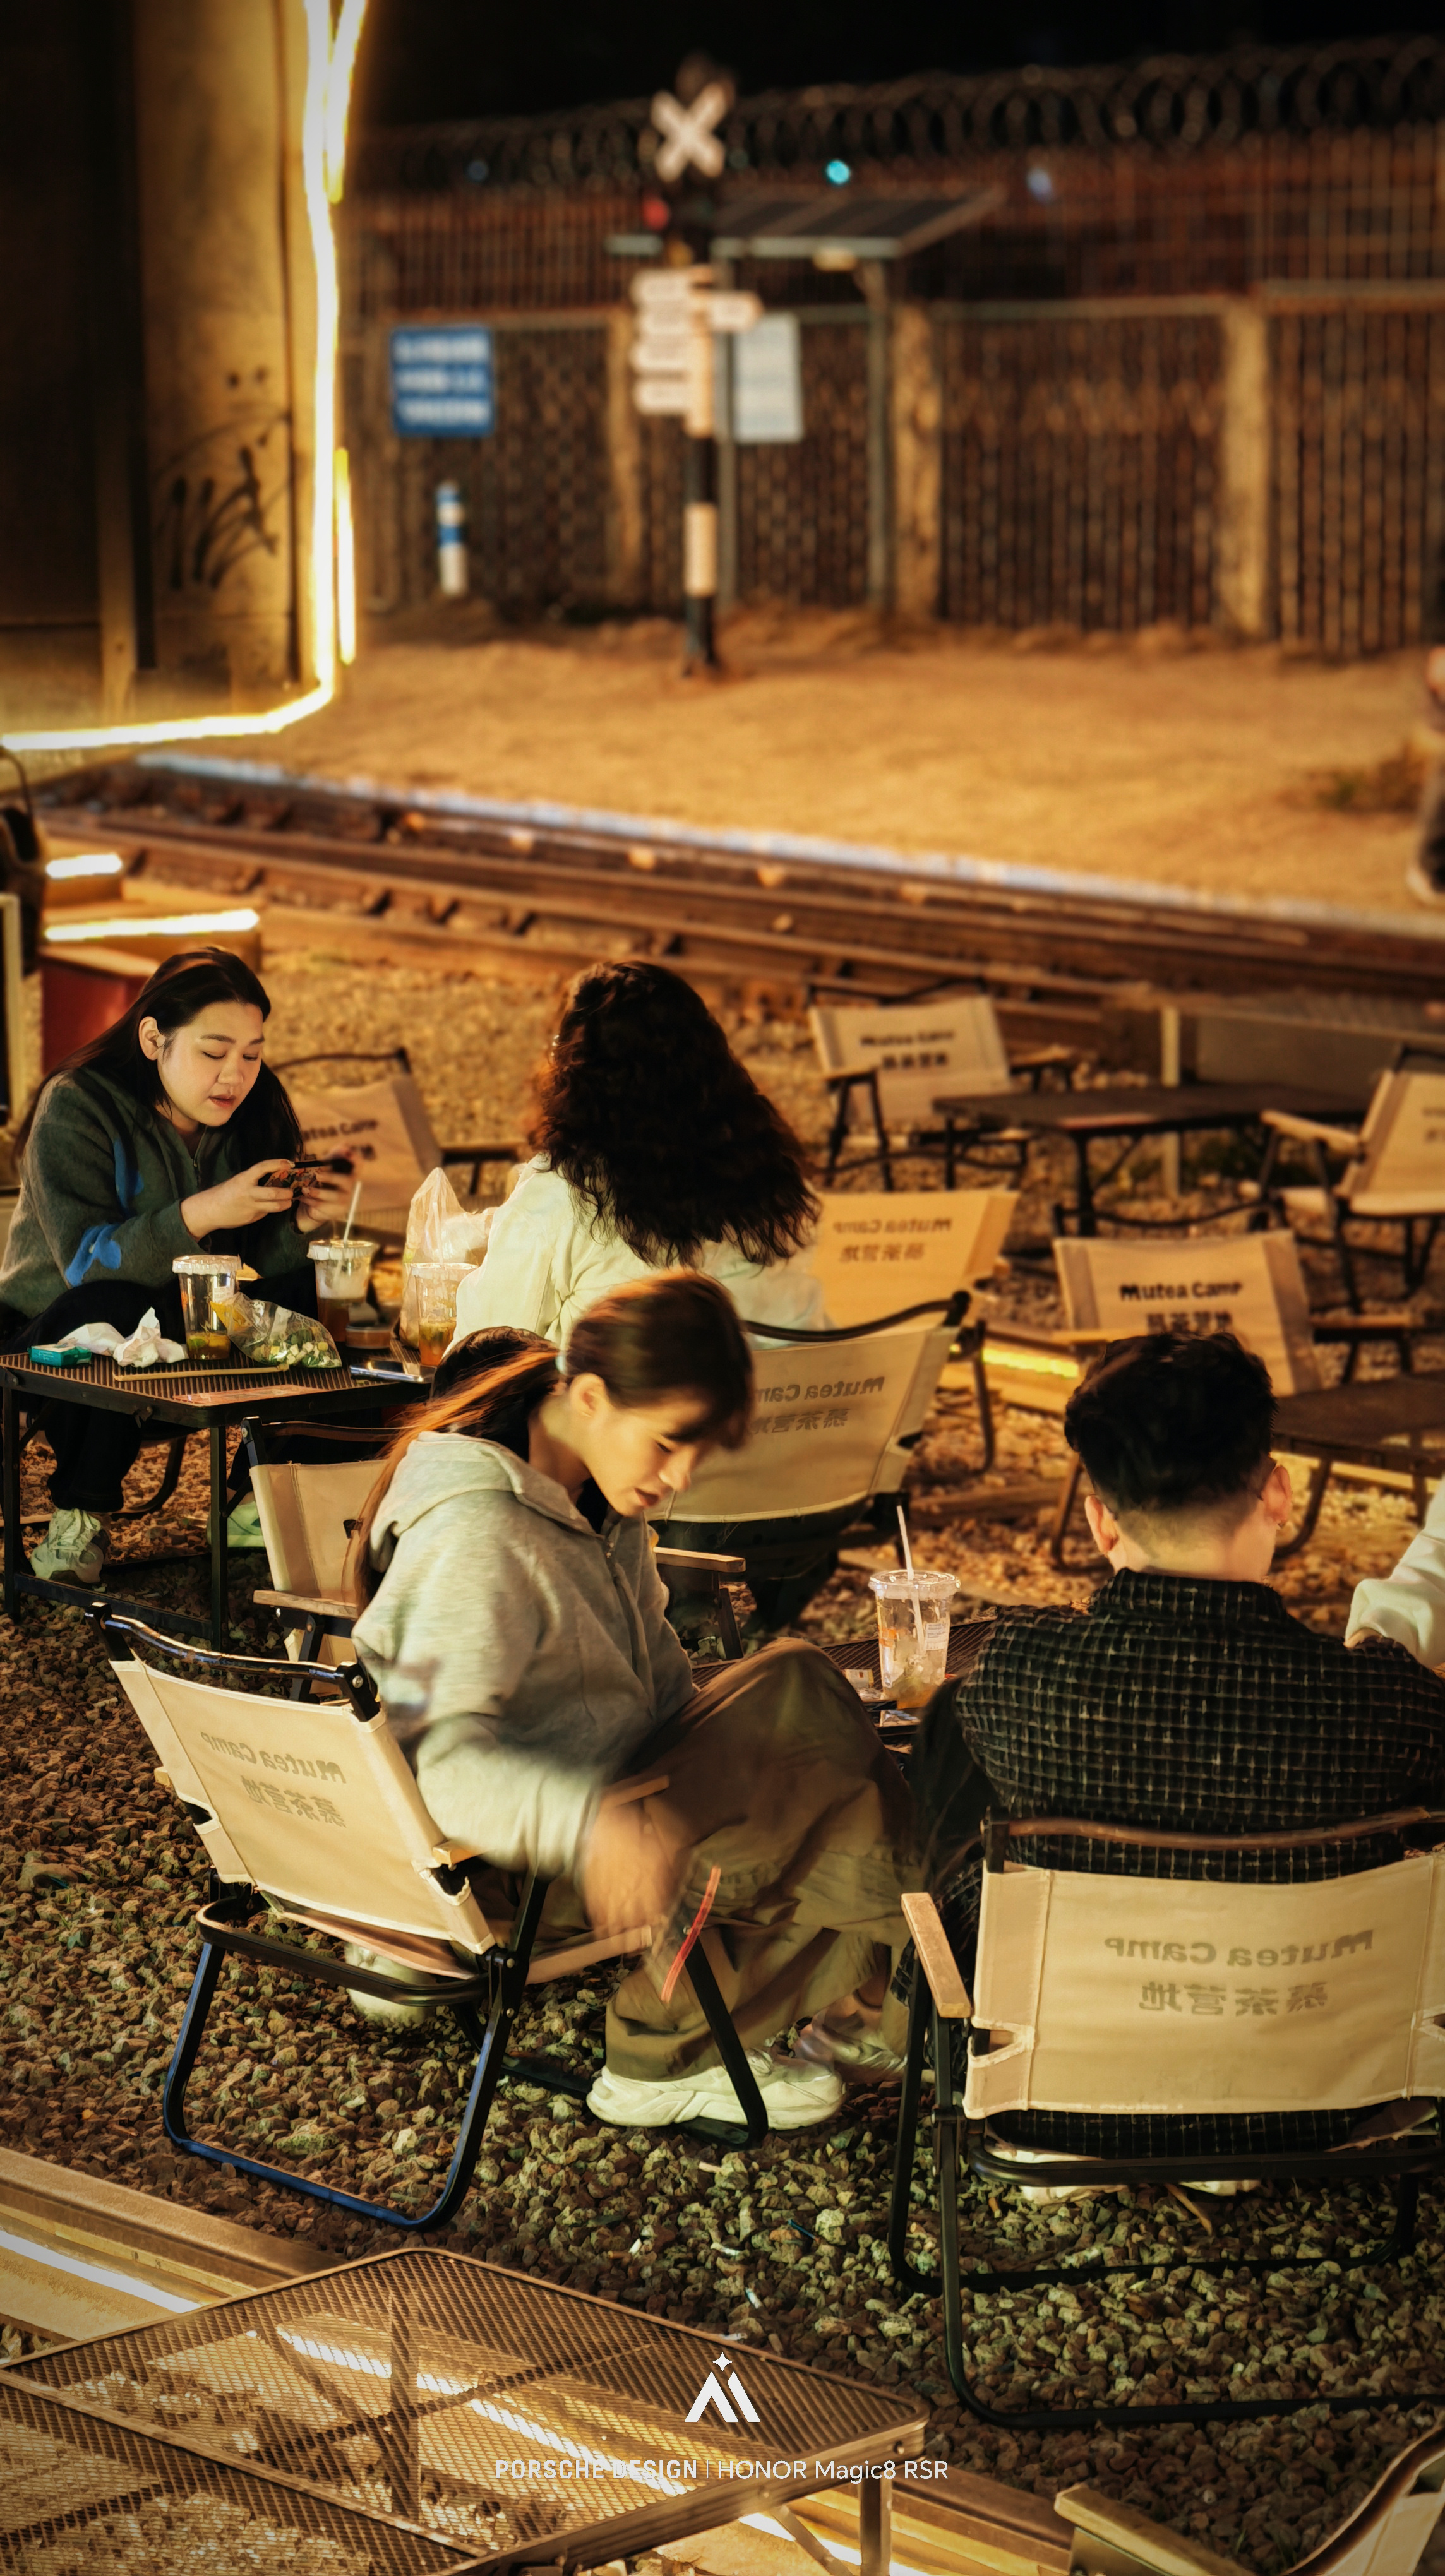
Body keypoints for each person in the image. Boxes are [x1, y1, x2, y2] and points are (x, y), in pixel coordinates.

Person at [349, 1270, 914, 2130]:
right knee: (817, 1756)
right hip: (526, 1856)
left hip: (614, 1794)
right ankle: (673, 2054)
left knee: (804, 1706)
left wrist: (742, 1754)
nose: (677, 1477)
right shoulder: (479, 1533)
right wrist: (591, 1827)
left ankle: (874, 1996)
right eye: (668, 1443)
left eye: (696, 1453)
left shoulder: (594, 1498)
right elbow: (438, 1768)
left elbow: (660, 1687)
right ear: (588, 1397)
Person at [913, 1328, 1445, 2193]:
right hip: (1326, 2102)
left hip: (1052, 2106)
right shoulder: (1389, 1703)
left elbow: (937, 1858)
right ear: (1279, 1494)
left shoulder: (1016, 1675)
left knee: (957, 1772)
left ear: (1098, 1520)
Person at [0, 947, 344, 1587]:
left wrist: (298, 1226)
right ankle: (79, 1516)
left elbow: (250, 1268)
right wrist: (207, 1209)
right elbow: (86, 1264)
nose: (235, 1076)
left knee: (320, 1295)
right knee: (114, 1307)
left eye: (252, 1054)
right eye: (214, 1053)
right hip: (53, 1341)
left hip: (196, 1323)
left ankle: (258, 1496)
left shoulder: (256, 1107)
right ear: (153, 1039)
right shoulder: (78, 1104)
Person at [452, 961, 826, 1349]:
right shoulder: (776, 1186)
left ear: (577, 1077)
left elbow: (478, 1351)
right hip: (787, 1384)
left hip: (623, 1388)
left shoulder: (562, 1199)